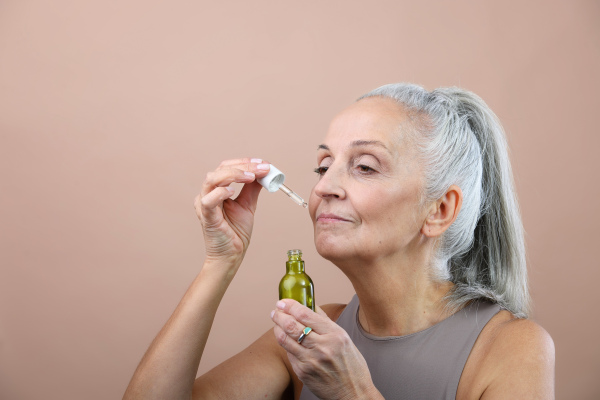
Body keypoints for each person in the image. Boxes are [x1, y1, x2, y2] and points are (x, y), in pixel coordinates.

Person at [123, 83, 555, 399]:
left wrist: (353, 392)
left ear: (439, 210)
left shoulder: (511, 349)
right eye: (323, 165)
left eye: (365, 166)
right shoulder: (308, 334)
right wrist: (220, 260)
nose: (325, 185)